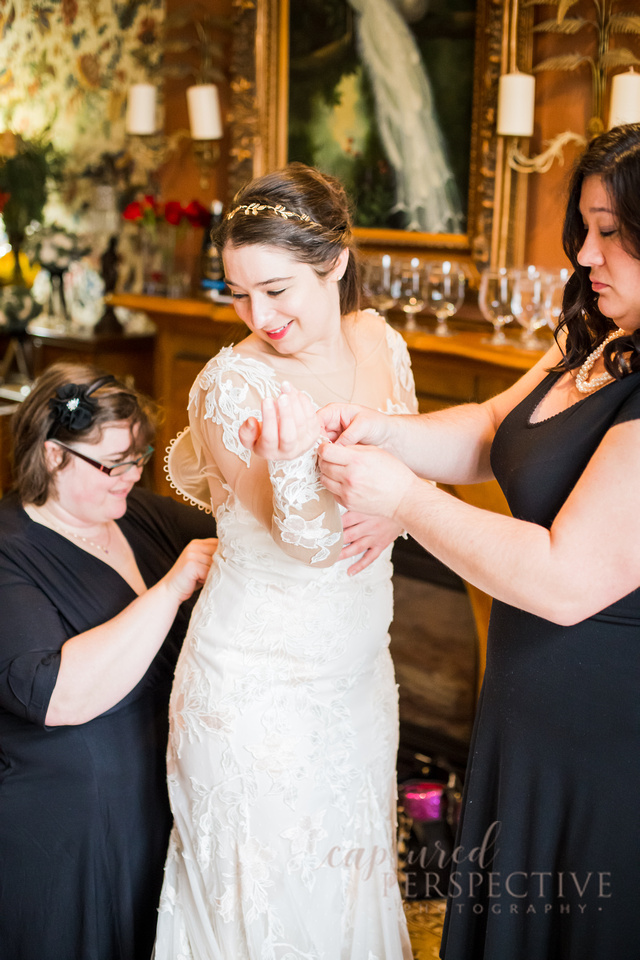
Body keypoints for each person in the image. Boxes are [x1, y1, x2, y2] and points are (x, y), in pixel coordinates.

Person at [246, 124, 640, 958]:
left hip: (607, 737)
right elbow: (491, 428)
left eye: (610, 232)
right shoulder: (597, 336)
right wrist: (381, 432)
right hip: (527, 709)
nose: (585, 255)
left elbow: (567, 579)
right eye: (584, 228)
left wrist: (407, 501)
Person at [154, 163, 417, 959]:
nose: (257, 314)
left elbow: (415, 462)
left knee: (346, 892)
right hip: (252, 696)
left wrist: (399, 515)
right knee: (265, 912)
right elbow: (305, 543)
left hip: (357, 680)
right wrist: (294, 460)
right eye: (237, 293)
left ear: (334, 262)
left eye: (276, 289)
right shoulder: (229, 385)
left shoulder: (379, 340)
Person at [0, 362, 217, 960]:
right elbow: (57, 694)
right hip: (66, 841)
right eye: (111, 463)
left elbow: (241, 539)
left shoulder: (139, 516)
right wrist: (171, 589)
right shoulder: (8, 552)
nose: (129, 475)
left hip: (152, 816)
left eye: (137, 457)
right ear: (51, 455)